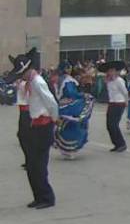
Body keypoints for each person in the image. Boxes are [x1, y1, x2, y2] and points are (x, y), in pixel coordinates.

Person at [5, 50, 58, 209]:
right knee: (32, 164)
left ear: (27, 71)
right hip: (35, 125)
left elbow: (52, 103)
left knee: (38, 165)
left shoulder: (38, 82)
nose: (20, 77)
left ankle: (47, 197)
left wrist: (55, 121)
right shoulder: (30, 83)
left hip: (44, 126)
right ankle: (38, 196)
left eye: (21, 74)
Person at [54, 66, 93, 159]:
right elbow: (71, 94)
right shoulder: (69, 81)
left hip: (63, 106)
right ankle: (69, 150)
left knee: (64, 126)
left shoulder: (62, 79)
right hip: (70, 107)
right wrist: (83, 95)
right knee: (73, 126)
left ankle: (66, 150)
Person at [101, 61, 128, 152]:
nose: (110, 72)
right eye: (109, 71)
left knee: (114, 124)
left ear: (116, 71)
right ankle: (116, 144)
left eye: (112, 71)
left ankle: (121, 144)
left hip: (119, 103)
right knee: (109, 125)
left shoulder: (119, 81)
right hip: (112, 103)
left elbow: (125, 92)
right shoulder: (109, 81)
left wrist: (126, 101)